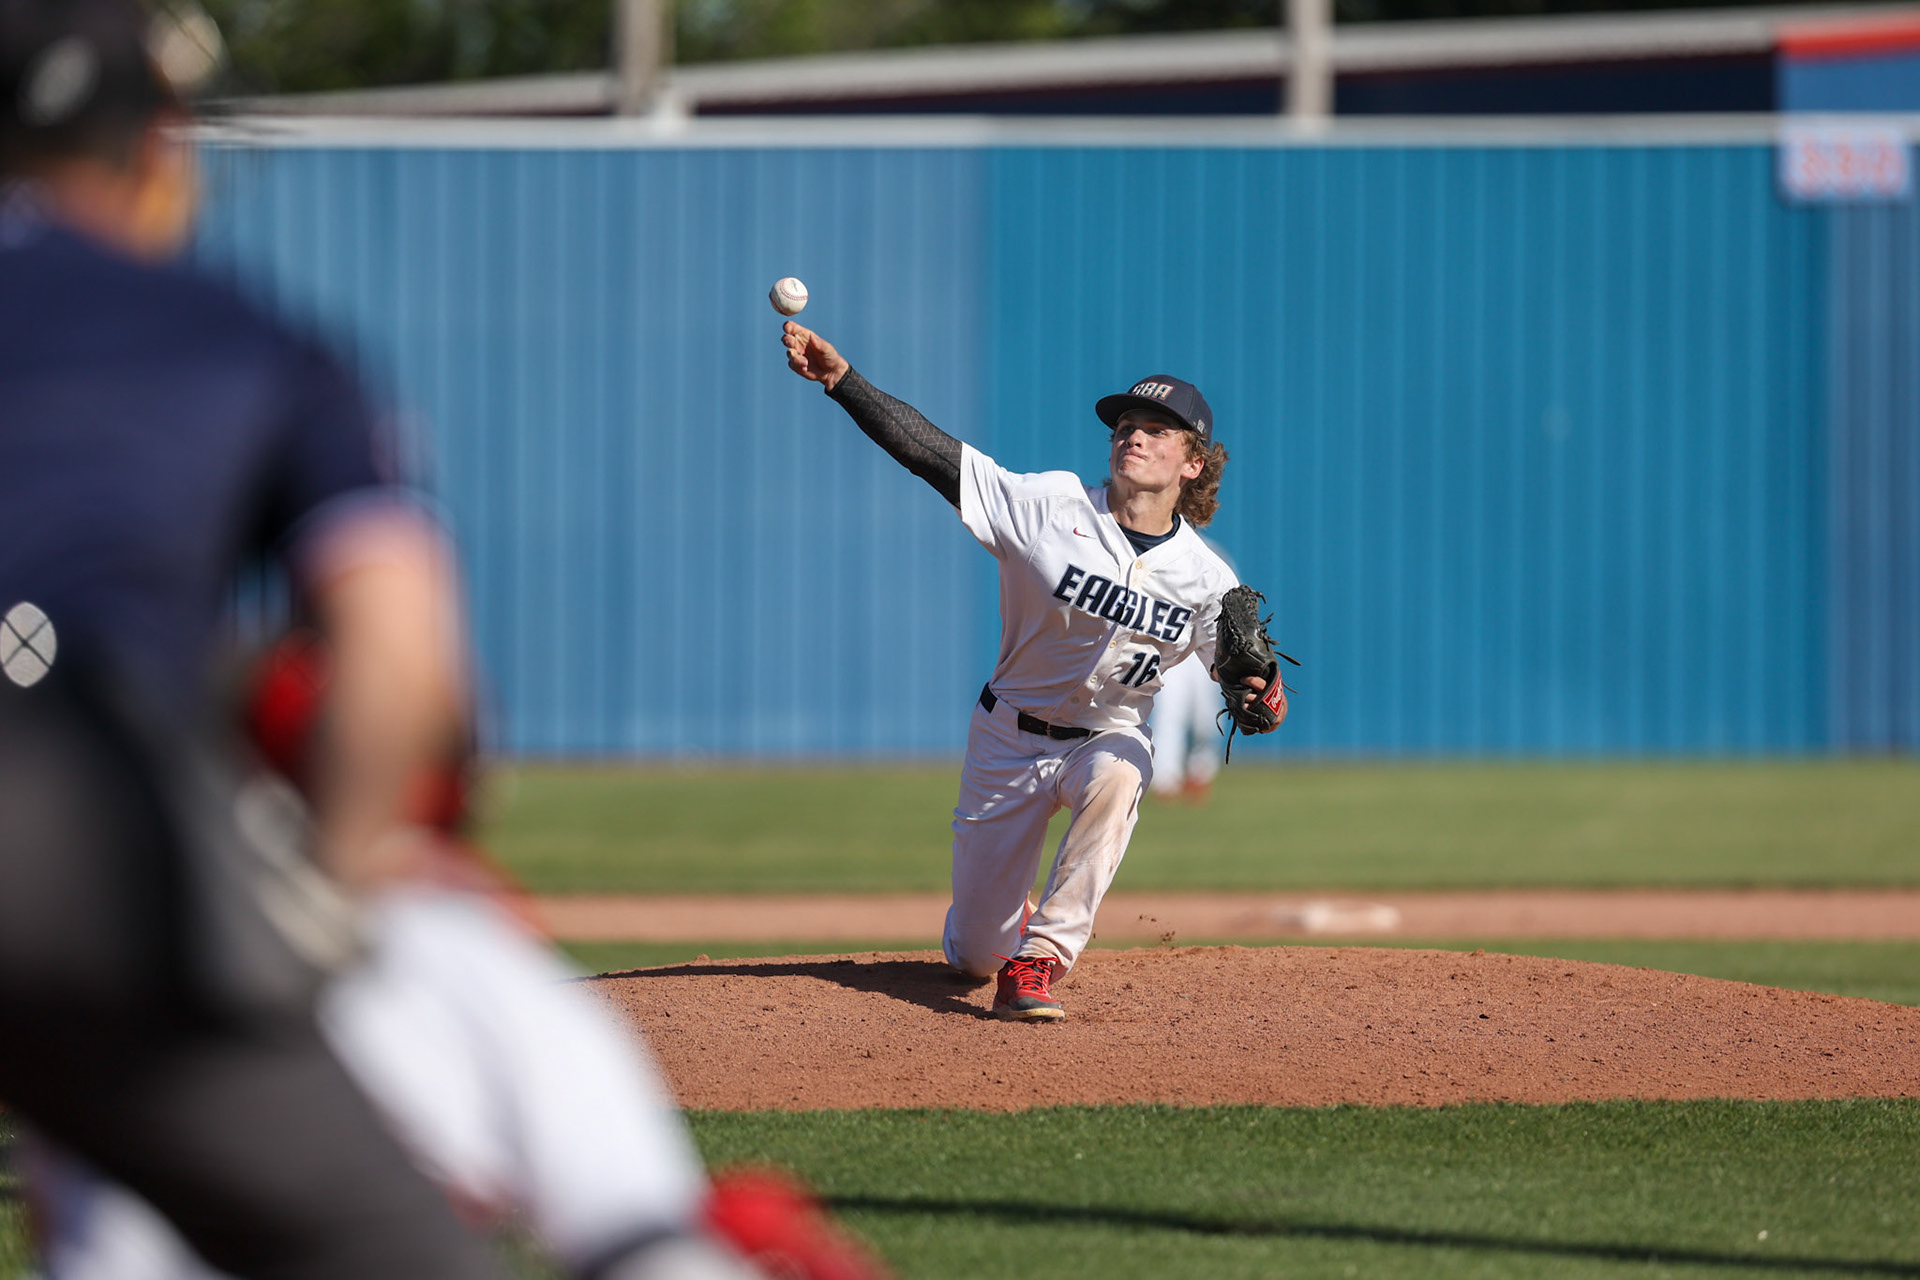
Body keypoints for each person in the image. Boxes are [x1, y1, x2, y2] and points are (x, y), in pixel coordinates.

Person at [782, 321, 1280, 1022]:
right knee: (973, 956)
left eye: (1157, 431)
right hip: (1008, 739)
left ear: (1193, 463)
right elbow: (933, 455)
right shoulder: (1049, 506)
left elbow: (1238, 673)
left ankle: (1043, 956)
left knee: (1120, 769)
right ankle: (1000, 935)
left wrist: (1259, 691)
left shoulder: (1206, 578)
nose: (1133, 436)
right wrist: (843, 380)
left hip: (1103, 737)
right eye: (1126, 425)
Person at [1147, 653, 1223, 803]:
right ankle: (1166, 779)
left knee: (1205, 716)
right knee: (1168, 713)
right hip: (1173, 645)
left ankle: (1200, 772)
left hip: (1206, 640)